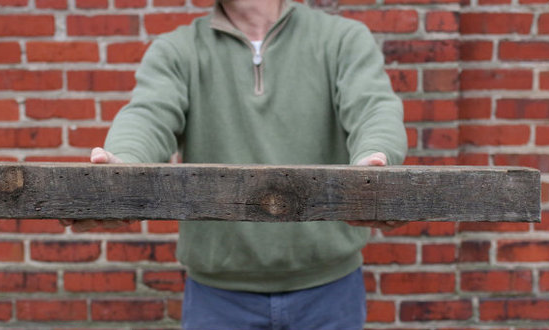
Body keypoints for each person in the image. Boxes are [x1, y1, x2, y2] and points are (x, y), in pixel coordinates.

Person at [62, 0, 407, 328]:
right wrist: (121, 167)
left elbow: (373, 109)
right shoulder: (179, 50)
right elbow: (148, 116)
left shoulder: (342, 40)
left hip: (329, 290)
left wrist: (373, 161)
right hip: (218, 298)